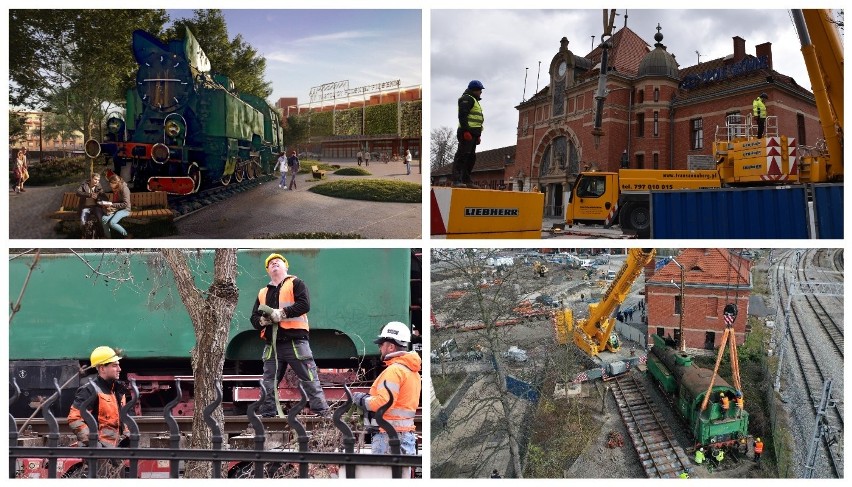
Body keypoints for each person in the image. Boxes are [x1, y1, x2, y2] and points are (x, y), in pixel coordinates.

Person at [250, 253, 330, 418]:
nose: (274, 264)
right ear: (268, 270)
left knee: (310, 379)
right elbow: (253, 318)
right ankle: (267, 416)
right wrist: (262, 321)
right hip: (272, 345)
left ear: (286, 267)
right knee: (268, 383)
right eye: (271, 263)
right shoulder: (263, 292)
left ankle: (323, 414)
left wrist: (283, 313)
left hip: (295, 341)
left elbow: (304, 304)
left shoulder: (296, 283)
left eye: (278, 262)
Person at [353, 321, 422, 455]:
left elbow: (383, 403)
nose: (379, 347)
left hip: (388, 436)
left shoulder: (394, 371)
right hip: (405, 435)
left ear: (390, 347)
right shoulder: (412, 371)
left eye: (381, 344)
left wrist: (361, 399)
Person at [67, 346, 128, 447]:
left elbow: (124, 418)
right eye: (114, 366)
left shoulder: (118, 390)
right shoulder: (89, 390)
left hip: (116, 449)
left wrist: (127, 436)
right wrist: (93, 443)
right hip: (98, 452)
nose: (119, 369)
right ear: (102, 368)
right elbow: (74, 419)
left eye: (118, 365)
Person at [451, 80, 485, 188]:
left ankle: (466, 179)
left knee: (470, 157)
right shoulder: (467, 99)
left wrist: (478, 135)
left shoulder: (474, 100)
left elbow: (476, 119)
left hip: (473, 133)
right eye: (480, 90)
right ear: (474, 89)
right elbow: (463, 116)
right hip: (467, 132)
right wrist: (466, 131)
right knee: (462, 155)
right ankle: (457, 180)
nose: (481, 92)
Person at [99, 174, 131, 238]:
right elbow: (116, 201)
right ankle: (108, 238)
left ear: (116, 182)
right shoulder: (115, 188)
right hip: (117, 208)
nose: (110, 186)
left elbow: (125, 204)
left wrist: (112, 204)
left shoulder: (124, 189)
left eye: (111, 184)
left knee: (112, 223)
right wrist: (108, 205)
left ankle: (127, 235)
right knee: (104, 219)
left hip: (125, 209)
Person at [76, 173, 105, 237]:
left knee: (101, 220)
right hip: (86, 208)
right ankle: (85, 236)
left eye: (98, 180)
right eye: (95, 179)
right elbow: (78, 193)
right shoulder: (84, 185)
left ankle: (102, 236)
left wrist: (97, 197)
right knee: (83, 222)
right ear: (91, 178)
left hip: (96, 207)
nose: (97, 181)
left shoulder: (99, 186)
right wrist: (89, 195)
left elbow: (105, 197)